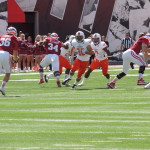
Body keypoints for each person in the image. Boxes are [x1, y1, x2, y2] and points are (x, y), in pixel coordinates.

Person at [0, 26, 19, 95]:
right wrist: (15, 58)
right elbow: (15, 50)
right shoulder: (13, 38)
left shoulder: (2, 36)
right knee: (8, 72)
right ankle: (2, 87)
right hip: (6, 54)